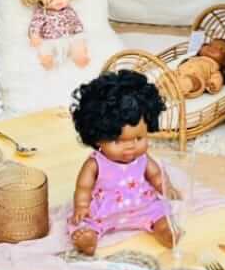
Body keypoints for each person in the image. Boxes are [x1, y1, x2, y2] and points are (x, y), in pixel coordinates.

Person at [69, 71, 173, 257]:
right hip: (105, 211)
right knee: (85, 222)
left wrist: (165, 187)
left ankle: (164, 230)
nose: (130, 147)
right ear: (97, 138)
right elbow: (83, 186)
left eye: (139, 138)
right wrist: (82, 206)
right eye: (118, 141)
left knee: (160, 211)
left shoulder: (142, 159)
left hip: (142, 206)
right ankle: (89, 239)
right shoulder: (96, 163)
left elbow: (156, 175)